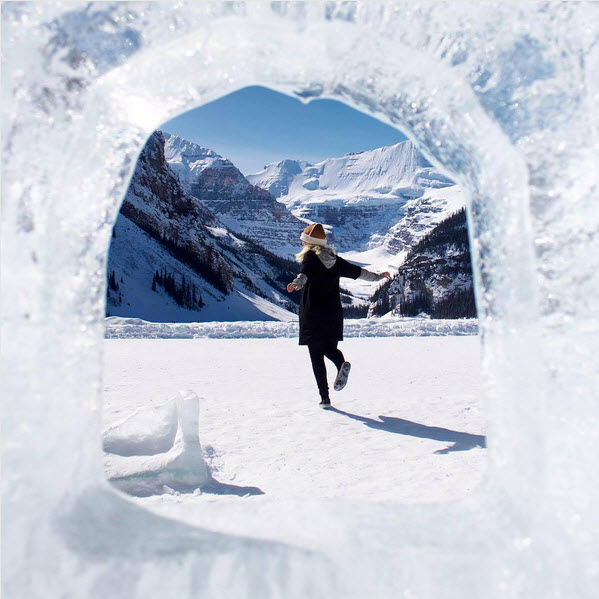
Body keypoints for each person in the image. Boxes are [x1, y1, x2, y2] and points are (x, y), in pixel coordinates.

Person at [286, 223, 391, 409]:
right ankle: (341, 363)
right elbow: (357, 272)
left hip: (313, 312)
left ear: (309, 243)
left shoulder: (310, 257)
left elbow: (304, 275)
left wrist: (296, 285)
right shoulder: (334, 258)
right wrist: (378, 276)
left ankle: (324, 399)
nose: (301, 242)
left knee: (316, 356)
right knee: (328, 348)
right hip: (333, 313)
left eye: (303, 240)